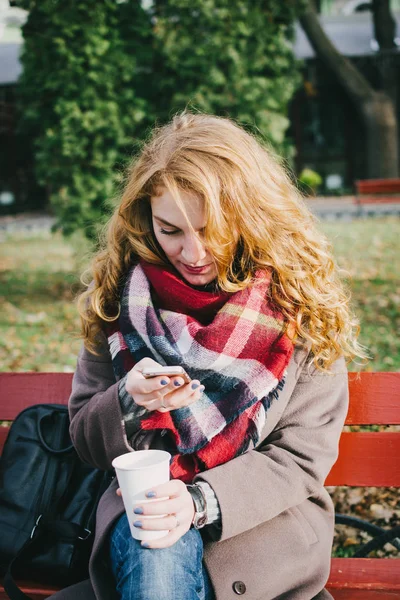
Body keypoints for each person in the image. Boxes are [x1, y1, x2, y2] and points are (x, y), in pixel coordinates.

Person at [50, 111, 366, 600]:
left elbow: (301, 457)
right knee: (155, 541)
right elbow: (86, 444)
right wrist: (129, 401)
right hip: (144, 523)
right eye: (169, 229)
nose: (193, 252)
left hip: (261, 539)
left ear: (251, 215)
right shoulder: (119, 300)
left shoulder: (300, 304)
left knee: (160, 539)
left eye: (210, 228)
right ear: (145, 219)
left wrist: (199, 500)